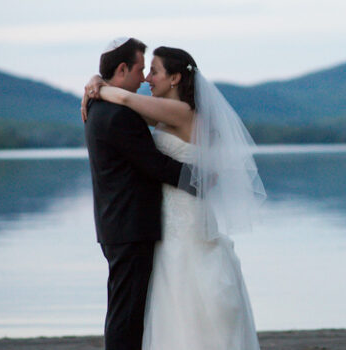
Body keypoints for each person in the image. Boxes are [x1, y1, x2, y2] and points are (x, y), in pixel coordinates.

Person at [82, 44, 265, 349]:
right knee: (172, 293)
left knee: (185, 288)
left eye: (154, 72)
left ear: (176, 78)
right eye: (145, 70)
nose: (147, 79)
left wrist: (97, 85)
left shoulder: (181, 112)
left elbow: (125, 97)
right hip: (169, 216)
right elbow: (129, 106)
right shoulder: (166, 114)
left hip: (183, 216)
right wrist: (97, 80)